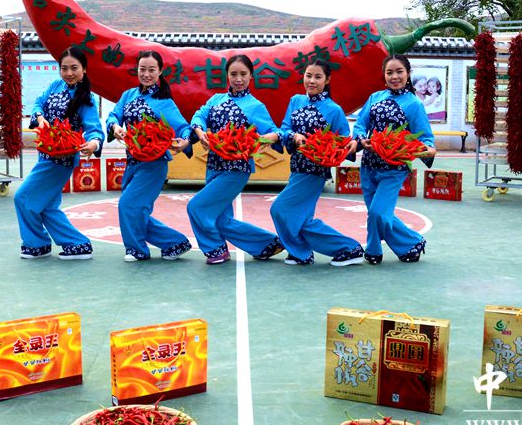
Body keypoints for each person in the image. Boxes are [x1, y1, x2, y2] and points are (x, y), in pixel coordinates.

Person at [186, 54, 284, 265]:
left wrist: (267, 138)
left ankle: (215, 249)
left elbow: (275, 131)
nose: (238, 79)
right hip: (213, 165)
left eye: (243, 74)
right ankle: (267, 244)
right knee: (222, 220)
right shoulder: (216, 100)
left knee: (196, 207)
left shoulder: (255, 106)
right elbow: (199, 116)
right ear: (227, 76)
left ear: (251, 76)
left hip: (237, 169)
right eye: (233, 74)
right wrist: (200, 131)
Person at [270, 59, 363, 266]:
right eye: (308, 76)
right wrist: (294, 136)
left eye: (318, 77)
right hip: (296, 166)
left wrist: (337, 147)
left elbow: (343, 140)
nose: (312, 81)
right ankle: (305, 253)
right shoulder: (295, 101)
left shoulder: (334, 109)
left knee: (280, 209)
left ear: (327, 80)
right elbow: (285, 128)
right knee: (302, 218)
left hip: (315, 171)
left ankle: (346, 248)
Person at [15, 46, 103, 260]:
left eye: (74, 68)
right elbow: (38, 102)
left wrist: (93, 144)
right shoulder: (55, 85)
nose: (69, 73)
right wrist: (39, 117)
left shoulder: (87, 99)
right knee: (46, 205)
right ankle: (76, 245)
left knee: (23, 197)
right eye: (64, 68)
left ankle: (38, 243)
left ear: (84, 69)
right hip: (45, 153)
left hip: (61, 159)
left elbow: (94, 129)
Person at [106, 51, 193, 262]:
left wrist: (185, 141)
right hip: (132, 162)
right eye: (142, 69)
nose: (146, 74)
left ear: (160, 72)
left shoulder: (164, 102)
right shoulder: (128, 95)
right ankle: (174, 243)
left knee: (128, 205)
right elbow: (113, 115)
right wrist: (115, 127)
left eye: (151, 70)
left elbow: (184, 127)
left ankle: (137, 250)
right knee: (136, 210)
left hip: (154, 165)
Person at [352, 54, 436, 264]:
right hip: (369, 165)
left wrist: (425, 149)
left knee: (378, 213)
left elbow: (425, 138)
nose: (394, 76)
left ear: (408, 74)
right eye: (389, 72)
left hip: (394, 168)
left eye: (399, 72)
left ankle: (373, 250)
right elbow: (361, 124)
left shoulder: (414, 104)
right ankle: (412, 243)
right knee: (377, 212)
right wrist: (361, 139)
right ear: (384, 75)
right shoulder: (375, 97)